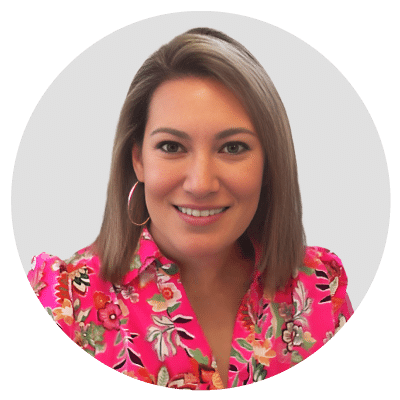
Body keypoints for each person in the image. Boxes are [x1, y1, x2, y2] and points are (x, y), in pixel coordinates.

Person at [27, 27, 353, 390]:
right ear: (138, 160)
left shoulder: (321, 287)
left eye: (232, 148)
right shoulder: (63, 301)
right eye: (171, 147)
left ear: (269, 163)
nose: (200, 183)